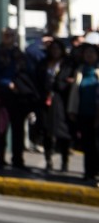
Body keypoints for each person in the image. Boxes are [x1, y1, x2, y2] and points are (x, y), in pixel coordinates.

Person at [0, 28, 36, 170]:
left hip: (18, 96)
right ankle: (0, 158)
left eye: (11, 35)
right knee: (1, 129)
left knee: (18, 129)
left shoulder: (19, 54)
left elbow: (27, 71)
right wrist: (7, 83)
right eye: (6, 35)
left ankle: (18, 159)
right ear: (2, 37)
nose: (9, 38)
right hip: (2, 95)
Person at [35, 40, 74, 173]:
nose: (55, 51)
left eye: (58, 48)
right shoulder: (44, 64)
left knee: (63, 132)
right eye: (53, 48)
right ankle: (48, 160)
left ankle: (64, 162)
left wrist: (62, 83)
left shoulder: (68, 64)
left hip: (61, 102)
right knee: (46, 131)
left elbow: (68, 82)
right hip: (46, 101)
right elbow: (38, 80)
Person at [68, 42, 99, 184]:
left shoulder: (97, 71)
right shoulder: (80, 70)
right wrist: (72, 110)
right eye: (87, 53)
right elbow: (74, 93)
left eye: (92, 53)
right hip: (84, 112)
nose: (89, 55)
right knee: (88, 145)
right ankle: (88, 172)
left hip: (97, 113)